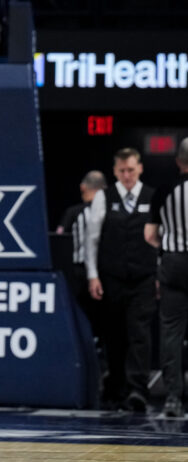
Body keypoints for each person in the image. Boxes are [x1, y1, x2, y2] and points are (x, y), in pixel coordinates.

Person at [86, 148, 157, 412]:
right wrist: (93, 274)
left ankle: (138, 390)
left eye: (131, 170)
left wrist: (159, 274)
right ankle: (115, 386)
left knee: (140, 333)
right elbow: (92, 239)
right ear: (115, 171)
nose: (127, 175)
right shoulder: (104, 197)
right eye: (122, 171)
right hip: (112, 276)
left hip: (143, 277)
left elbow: (160, 240)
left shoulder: (152, 196)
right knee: (114, 334)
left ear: (139, 168)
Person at [144, 137, 188, 417]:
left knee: (171, 331)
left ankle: (173, 398)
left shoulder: (163, 190)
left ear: (178, 161)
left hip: (173, 262)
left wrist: (170, 245)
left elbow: (149, 235)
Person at [55, 170, 106, 338]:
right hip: (104, 272)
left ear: (83, 187)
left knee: (77, 314)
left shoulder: (73, 213)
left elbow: (59, 239)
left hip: (77, 273)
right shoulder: (109, 212)